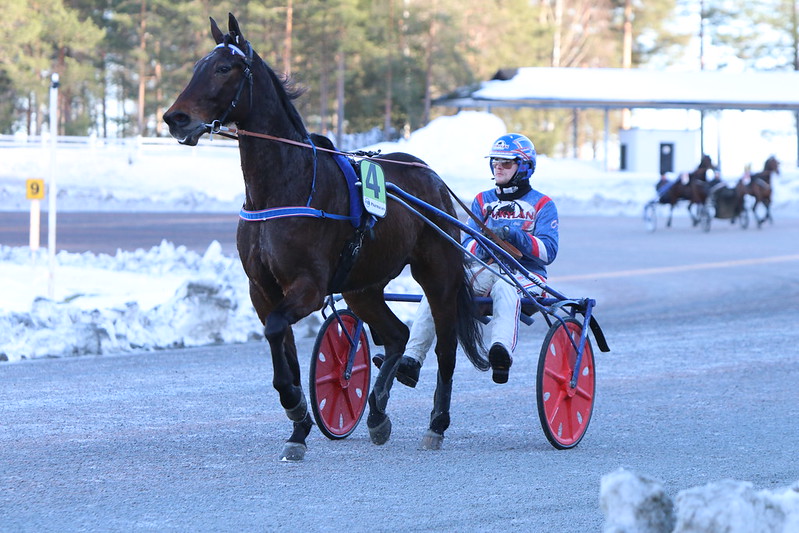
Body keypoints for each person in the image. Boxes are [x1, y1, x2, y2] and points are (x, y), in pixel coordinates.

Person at [395, 133, 559, 387]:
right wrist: (485, 244)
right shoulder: (483, 200)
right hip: (485, 269)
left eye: (506, 162)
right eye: (495, 162)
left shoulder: (543, 204)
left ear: (524, 167)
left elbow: (548, 252)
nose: (498, 167)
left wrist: (516, 237)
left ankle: (500, 352)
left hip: (526, 275)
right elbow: (467, 245)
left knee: (506, 286)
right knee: (440, 288)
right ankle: (411, 359)